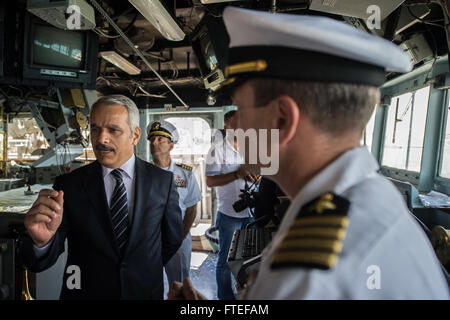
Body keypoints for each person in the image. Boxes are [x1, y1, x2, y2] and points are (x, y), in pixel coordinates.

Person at [168, 6, 450, 299]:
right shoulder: (368, 198)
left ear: (282, 120)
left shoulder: (305, 272)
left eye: (242, 108)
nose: (236, 123)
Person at [21, 95, 183, 299]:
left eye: (113, 130)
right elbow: (40, 260)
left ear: (135, 135)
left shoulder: (163, 182)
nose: (101, 139)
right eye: (95, 129)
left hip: (143, 292)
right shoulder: (69, 186)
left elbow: (172, 239)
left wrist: (141, 268)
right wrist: (41, 243)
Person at [205, 110, 256, 300]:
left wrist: (257, 176)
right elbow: (210, 181)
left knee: (249, 260)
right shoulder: (216, 150)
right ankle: (226, 299)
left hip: (252, 213)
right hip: (229, 215)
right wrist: (237, 174)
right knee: (225, 262)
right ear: (226, 127)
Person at [147, 120, 202, 289]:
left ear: (171, 145)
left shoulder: (185, 173)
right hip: (150, 239)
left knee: (179, 283)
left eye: (160, 139)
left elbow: (192, 208)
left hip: (178, 237)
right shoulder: (143, 173)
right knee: (148, 284)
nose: (154, 143)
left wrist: (179, 236)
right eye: (152, 139)